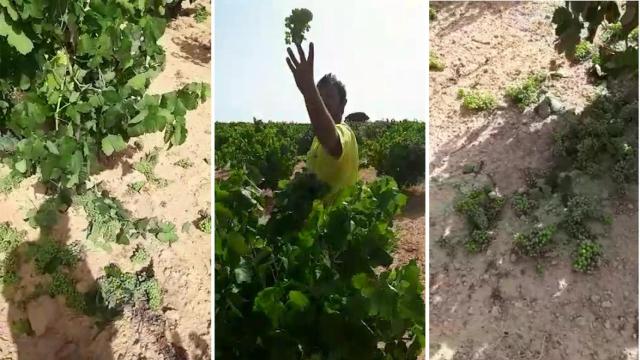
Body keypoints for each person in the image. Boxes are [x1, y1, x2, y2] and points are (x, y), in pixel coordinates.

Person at [286, 42, 359, 193]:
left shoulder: (345, 133)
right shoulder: (317, 140)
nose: (323, 101)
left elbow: (332, 143)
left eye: (329, 97)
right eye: (320, 96)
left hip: (335, 217)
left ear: (342, 105)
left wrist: (308, 89)